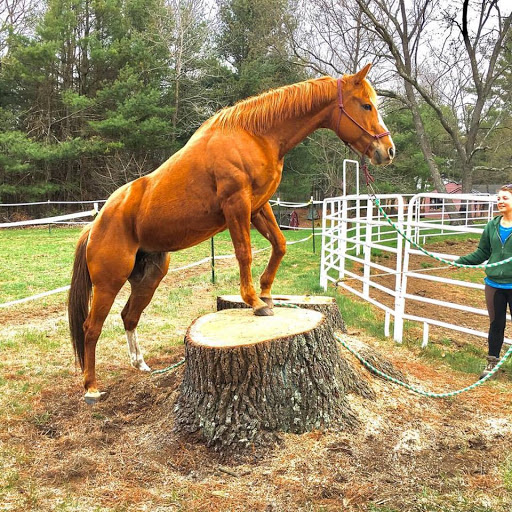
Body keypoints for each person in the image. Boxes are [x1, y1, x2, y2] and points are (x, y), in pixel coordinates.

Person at [452, 184, 512, 379]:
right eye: (499, 198)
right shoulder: (492, 225)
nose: (500, 201)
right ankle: (491, 364)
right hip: (494, 284)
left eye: (505, 198)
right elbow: (483, 252)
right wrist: (461, 261)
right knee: (496, 324)